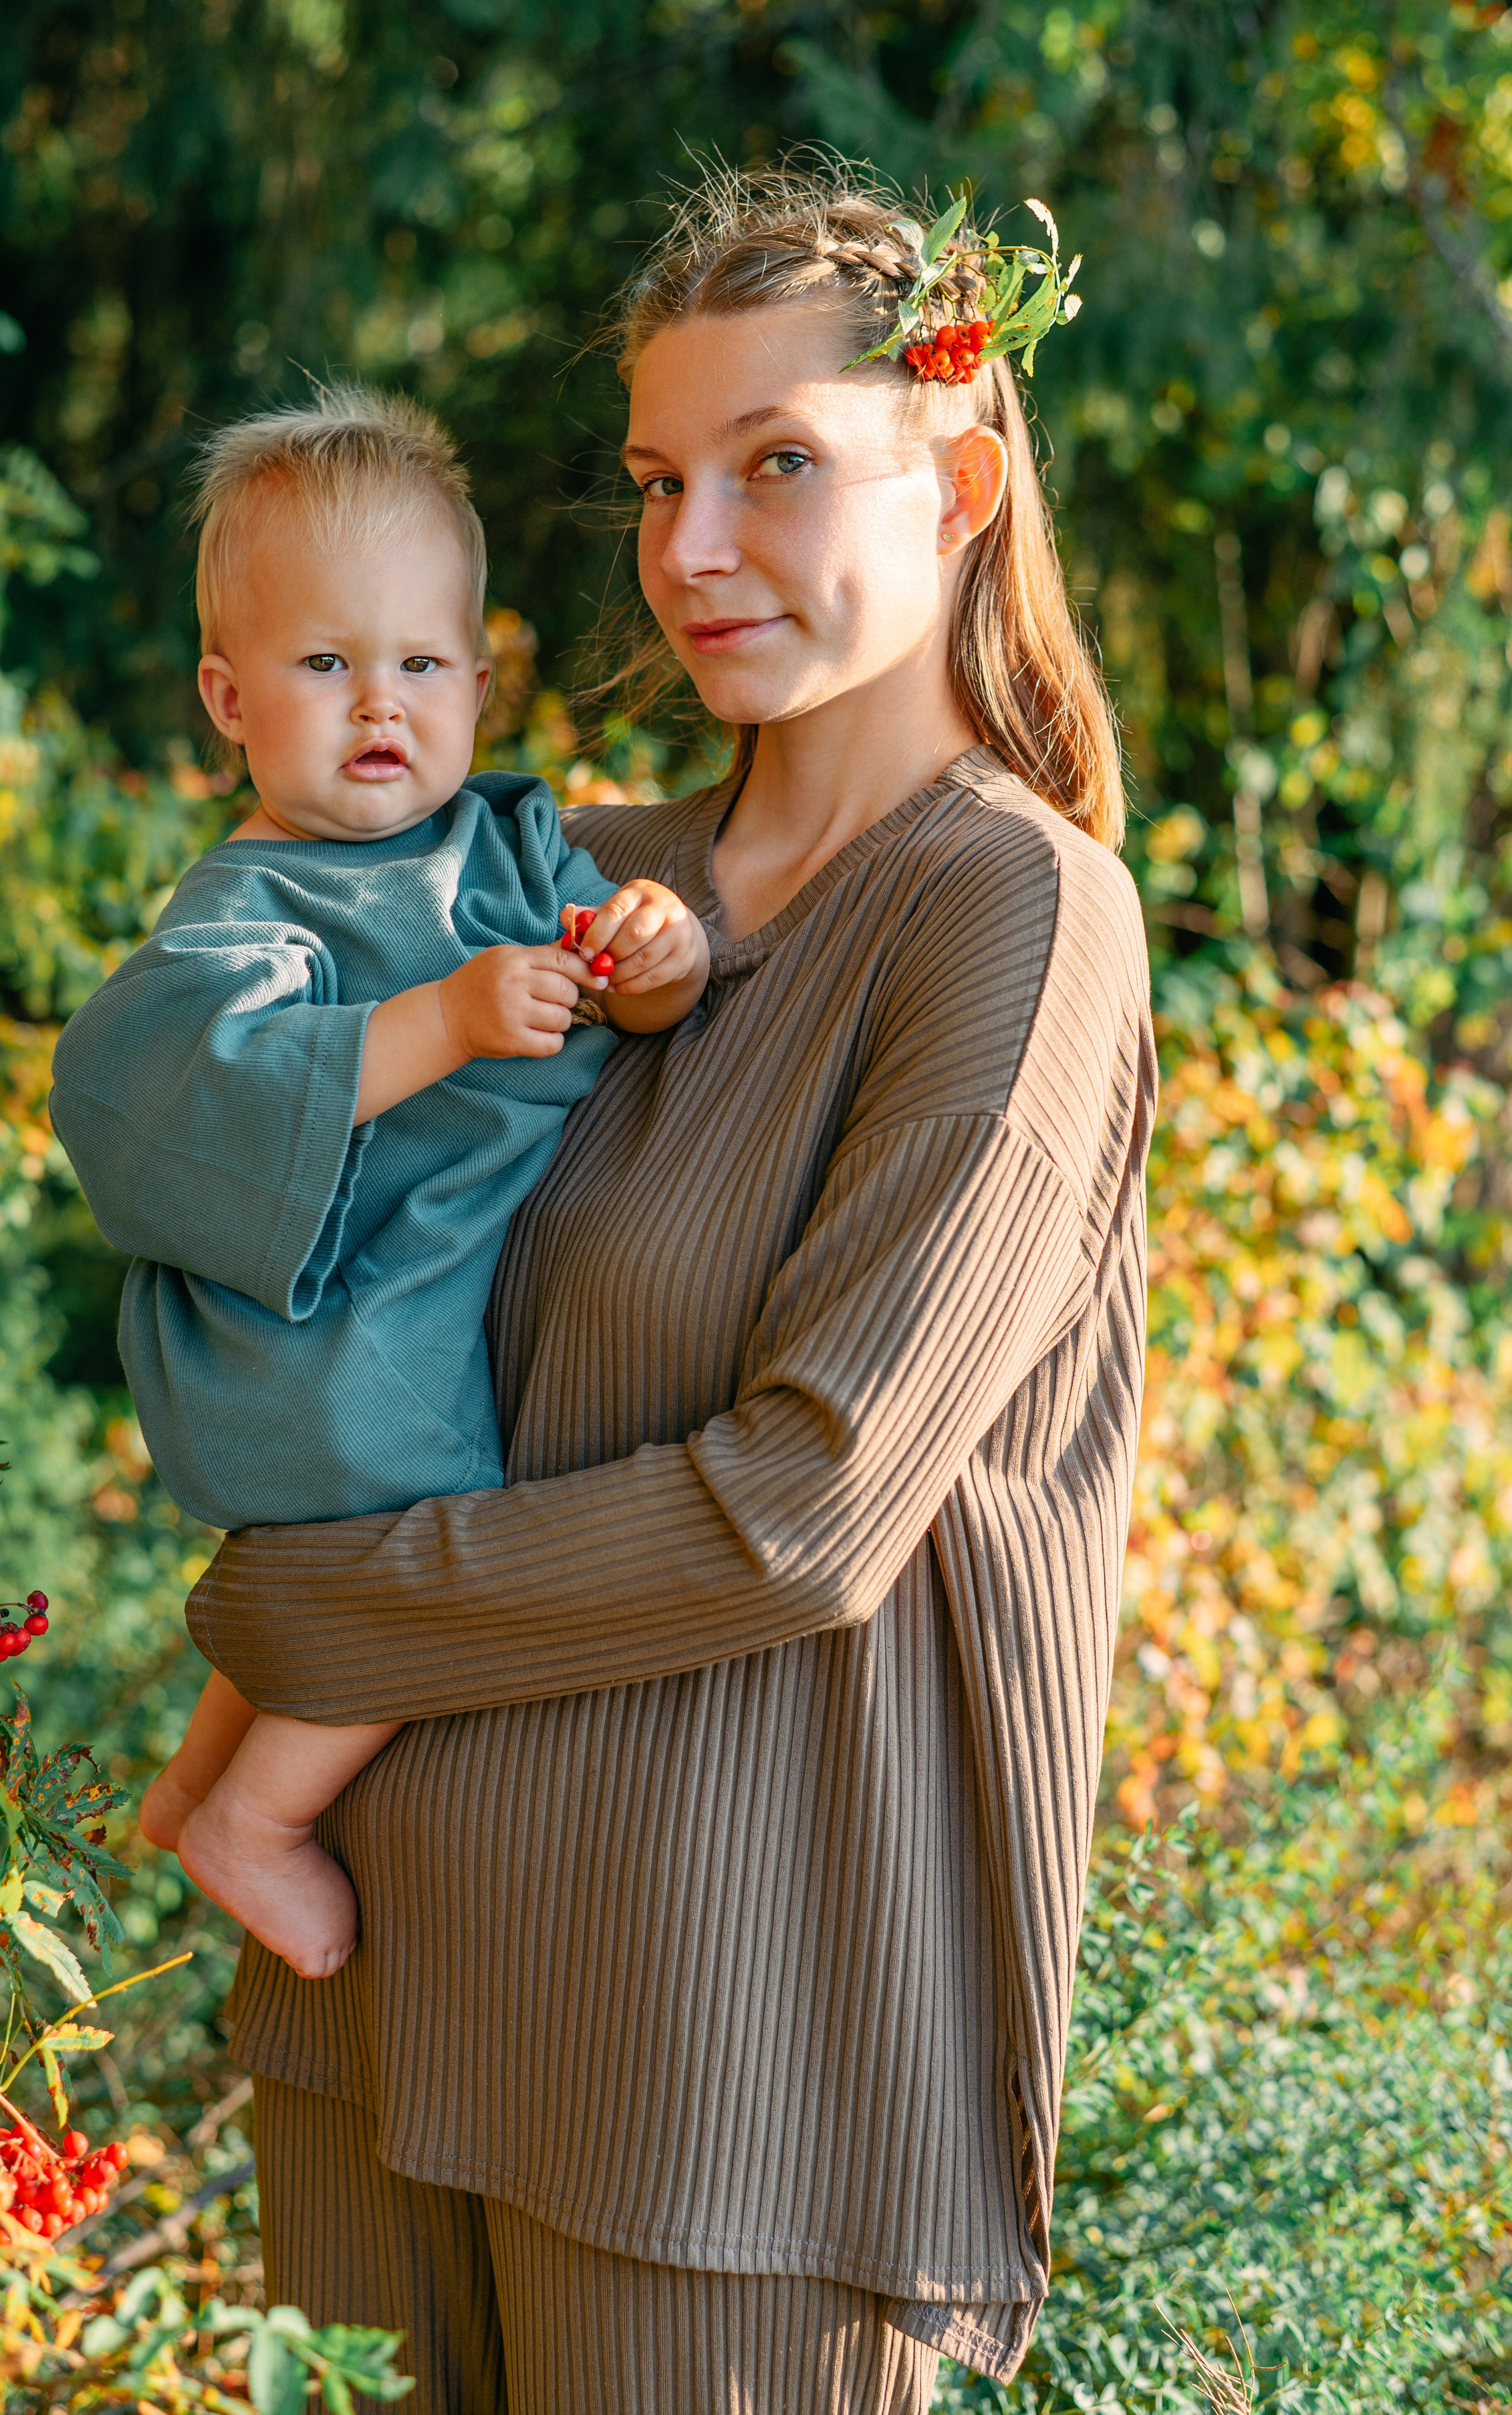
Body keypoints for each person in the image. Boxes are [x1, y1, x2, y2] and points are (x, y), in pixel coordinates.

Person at [186, 157, 1156, 2415]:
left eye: (778, 467)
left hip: (718, 2079)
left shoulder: (1016, 917)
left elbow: (807, 1504)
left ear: (965, 484)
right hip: (371, 1987)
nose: (691, 544)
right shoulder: (560, 874)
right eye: (656, 480)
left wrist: (302, 1616)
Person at [49, 388, 709, 1980]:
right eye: (323, 663)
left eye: (419, 663)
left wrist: (657, 952)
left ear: (479, 681)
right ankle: (256, 1822)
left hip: (423, 1280)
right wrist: (443, 1017)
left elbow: (625, 985)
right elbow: (184, 1075)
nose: (378, 706)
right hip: (331, 1311)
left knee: (332, 1567)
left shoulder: (507, 841)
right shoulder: (254, 890)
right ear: (227, 694)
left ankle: (199, 1774)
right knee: (422, 1550)